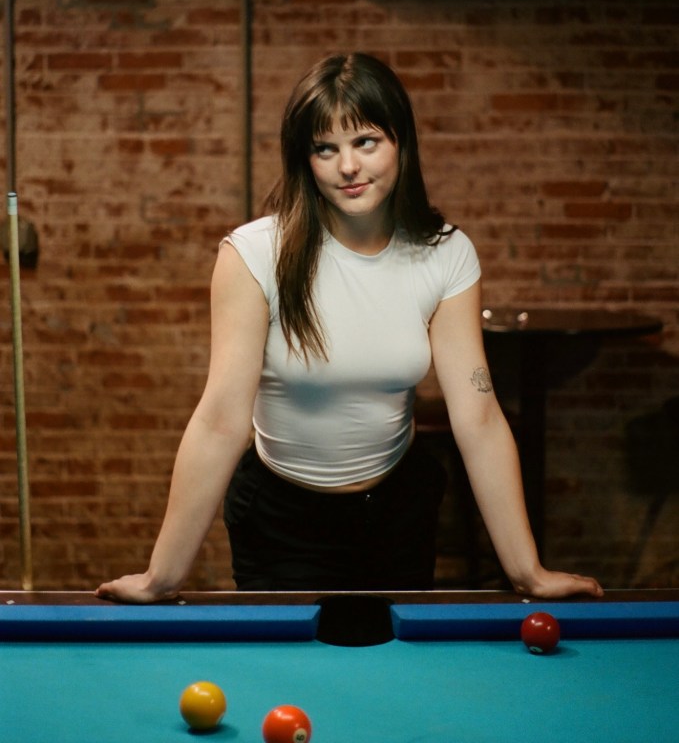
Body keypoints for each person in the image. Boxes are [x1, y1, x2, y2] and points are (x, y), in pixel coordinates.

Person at [96, 52, 603, 601]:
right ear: (305, 158)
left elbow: (478, 418)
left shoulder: (446, 254)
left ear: (401, 142)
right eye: (325, 148)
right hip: (282, 520)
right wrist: (163, 577)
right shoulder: (254, 254)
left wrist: (528, 573)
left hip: (398, 513)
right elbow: (220, 422)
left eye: (366, 141)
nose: (348, 167)